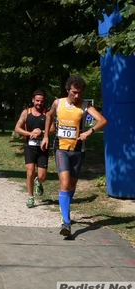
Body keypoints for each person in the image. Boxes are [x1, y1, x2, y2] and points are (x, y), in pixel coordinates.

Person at [41, 76, 107, 237]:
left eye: (79, 93)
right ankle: (66, 222)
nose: (77, 96)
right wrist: (46, 136)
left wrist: (89, 132)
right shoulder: (58, 103)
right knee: (64, 183)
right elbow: (49, 115)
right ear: (68, 90)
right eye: (74, 92)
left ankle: (66, 209)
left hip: (78, 150)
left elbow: (103, 121)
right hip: (61, 149)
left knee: (71, 185)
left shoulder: (85, 106)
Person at [14, 90, 55, 208]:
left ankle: (39, 182)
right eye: (37, 100)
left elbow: (53, 129)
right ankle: (31, 197)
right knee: (30, 171)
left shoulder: (47, 113)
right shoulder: (26, 112)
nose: (39, 103)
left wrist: (41, 132)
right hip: (30, 146)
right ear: (33, 100)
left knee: (42, 176)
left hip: (43, 147)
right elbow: (17, 128)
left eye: (41, 101)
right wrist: (30, 133)